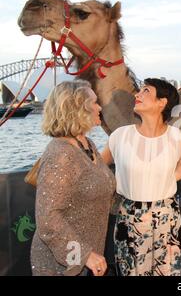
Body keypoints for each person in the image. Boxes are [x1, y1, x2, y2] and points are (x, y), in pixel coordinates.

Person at [101, 78, 181, 276]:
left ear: (162, 102)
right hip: (130, 216)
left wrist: (161, 183)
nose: (137, 95)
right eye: (139, 91)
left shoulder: (178, 137)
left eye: (145, 91)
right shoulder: (120, 136)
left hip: (167, 216)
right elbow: (96, 170)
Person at [31, 80, 116, 276]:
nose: (99, 107)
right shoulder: (60, 154)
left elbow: (103, 191)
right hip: (62, 265)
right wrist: (85, 255)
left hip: (88, 259)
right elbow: (47, 219)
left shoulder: (87, 144)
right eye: (94, 102)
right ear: (77, 108)